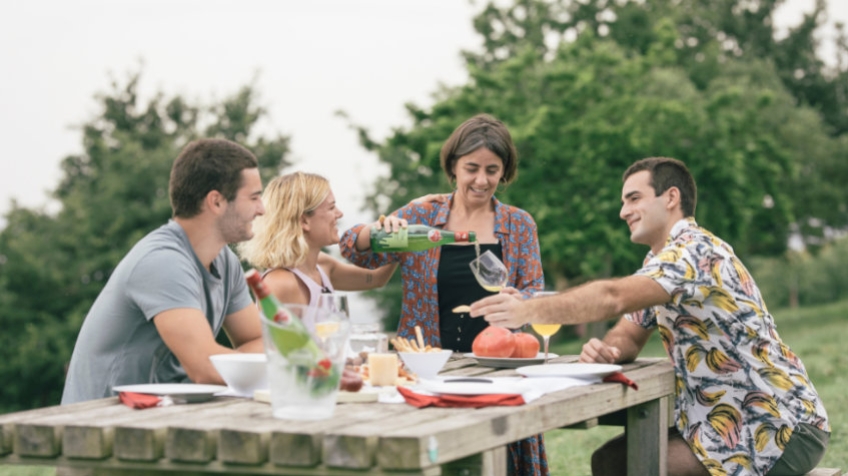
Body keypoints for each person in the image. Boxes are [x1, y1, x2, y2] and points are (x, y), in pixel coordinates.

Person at [471, 157, 830, 476]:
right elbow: (628, 334)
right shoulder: (659, 266)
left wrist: (527, 308)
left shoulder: (694, 250)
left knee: (622, 465)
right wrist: (608, 351)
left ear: (671, 198)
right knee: (614, 460)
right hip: (727, 421)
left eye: (634, 198)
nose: (623, 211)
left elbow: (612, 297)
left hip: (778, 427)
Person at [339, 113, 547, 476]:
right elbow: (352, 249)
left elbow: (534, 294)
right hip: (426, 373)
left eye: (492, 170)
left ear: (504, 172)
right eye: (471, 168)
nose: (482, 180)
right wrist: (375, 230)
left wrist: (520, 304)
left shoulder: (519, 224)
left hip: (496, 373)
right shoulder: (422, 215)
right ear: (453, 166)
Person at [62, 138, 266, 404]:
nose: (262, 209)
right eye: (254, 197)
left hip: (158, 419)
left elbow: (259, 340)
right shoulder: (162, 262)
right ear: (216, 201)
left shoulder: (225, 261)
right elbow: (204, 368)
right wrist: (294, 368)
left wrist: (260, 361)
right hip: (97, 429)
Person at [237, 171, 401, 308]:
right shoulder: (280, 283)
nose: (340, 213)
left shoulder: (321, 265)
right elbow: (272, 346)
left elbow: (376, 279)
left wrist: (400, 228)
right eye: (331, 207)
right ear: (303, 221)